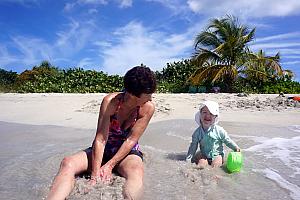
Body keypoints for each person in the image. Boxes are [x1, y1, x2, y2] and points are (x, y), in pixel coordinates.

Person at [47, 66, 156, 200]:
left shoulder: (148, 108)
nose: (150, 98)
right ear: (132, 94)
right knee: (67, 163)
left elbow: (131, 140)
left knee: (136, 171)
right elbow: (100, 139)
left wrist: (110, 166)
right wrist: (95, 174)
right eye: (148, 95)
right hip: (104, 149)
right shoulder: (110, 102)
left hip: (126, 153)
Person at [186, 100, 240, 169]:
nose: (207, 115)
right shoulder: (197, 133)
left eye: (211, 113)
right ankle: (196, 176)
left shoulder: (219, 130)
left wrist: (235, 148)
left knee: (216, 165)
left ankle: (215, 177)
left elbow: (227, 140)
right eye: (204, 112)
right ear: (200, 114)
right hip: (204, 155)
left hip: (217, 155)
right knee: (201, 165)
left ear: (215, 117)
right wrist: (188, 159)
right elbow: (193, 147)